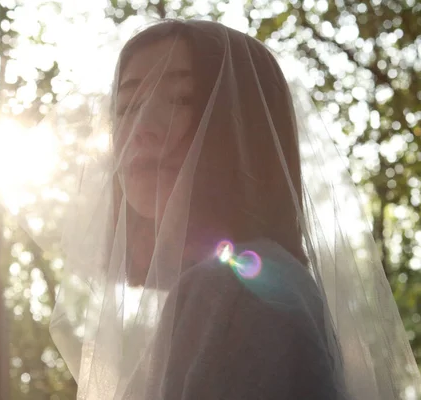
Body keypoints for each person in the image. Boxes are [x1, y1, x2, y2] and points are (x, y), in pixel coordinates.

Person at [48, 19, 421, 400]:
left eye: (179, 99)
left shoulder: (232, 289)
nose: (141, 127)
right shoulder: (254, 281)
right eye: (127, 106)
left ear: (244, 126)